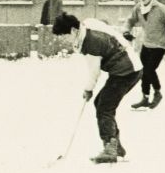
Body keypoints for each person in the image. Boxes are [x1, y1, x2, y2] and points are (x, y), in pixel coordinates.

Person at [52, 12, 142, 163]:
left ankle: (110, 148)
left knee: (104, 106)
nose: (64, 40)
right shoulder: (88, 24)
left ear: (73, 31)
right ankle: (115, 145)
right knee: (102, 103)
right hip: (129, 66)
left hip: (126, 70)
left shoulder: (90, 42)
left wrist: (88, 89)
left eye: (64, 36)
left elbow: (94, 71)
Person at [125, 0, 165, 110]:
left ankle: (157, 92)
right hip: (147, 44)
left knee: (149, 70)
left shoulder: (161, 9)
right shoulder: (138, 8)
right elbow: (129, 20)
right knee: (143, 72)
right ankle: (145, 98)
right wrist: (126, 31)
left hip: (159, 45)